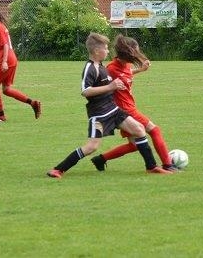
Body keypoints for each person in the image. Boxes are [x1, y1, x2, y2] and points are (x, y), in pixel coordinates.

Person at [46, 32, 171, 178]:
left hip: (113, 109)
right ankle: (58, 169)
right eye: (105, 49)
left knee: (139, 129)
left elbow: (123, 74)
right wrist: (111, 87)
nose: (108, 51)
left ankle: (151, 167)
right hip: (99, 114)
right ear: (97, 51)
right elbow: (85, 91)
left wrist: (137, 71)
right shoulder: (90, 68)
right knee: (92, 147)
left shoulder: (101, 66)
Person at [90, 35, 178, 172]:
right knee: (155, 130)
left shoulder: (125, 65)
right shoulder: (111, 69)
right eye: (135, 52)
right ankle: (168, 165)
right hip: (125, 110)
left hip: (128, 108)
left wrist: (140, 69)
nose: (137, 55)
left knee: (134, 145)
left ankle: (100, 159)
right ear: (127, 53)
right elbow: (101, 84)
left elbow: (126, 73)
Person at [0, 6, 41, 122]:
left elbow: (5, 46)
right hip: (12, 59)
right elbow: (1, 47)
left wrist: (4, 62)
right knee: (6, 89)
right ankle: (33, 103)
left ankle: (1, 116)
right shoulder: (0, 27)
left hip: (7, 60)